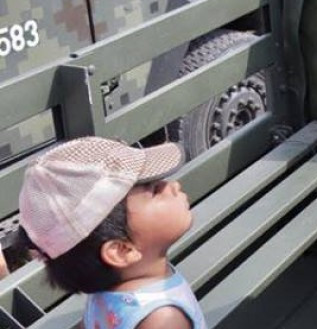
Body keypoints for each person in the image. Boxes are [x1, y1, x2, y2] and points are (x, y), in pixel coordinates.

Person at [14, 137, 205, 329]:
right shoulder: (164, 319)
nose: (173, 185)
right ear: (121, 250)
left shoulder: (105, 295)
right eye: (155, 190)